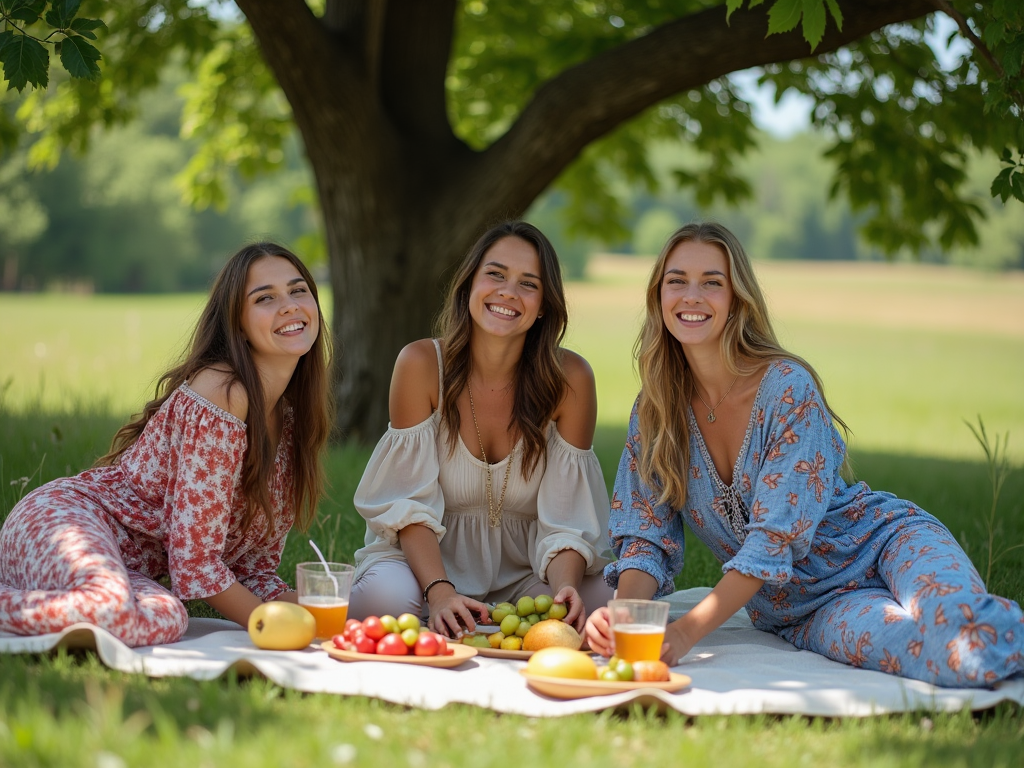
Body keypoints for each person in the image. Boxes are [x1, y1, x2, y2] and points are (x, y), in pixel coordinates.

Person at [585, 221, 1024, 688]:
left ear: (737, 298)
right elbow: (644, 535)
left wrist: (685, 631)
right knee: (940, 656)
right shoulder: (655, 411)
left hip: (884, 544)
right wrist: (626, 622)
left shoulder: (787, 388)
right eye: (677, 281)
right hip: (804, 610)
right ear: (658, 297)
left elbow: (773, 539)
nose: (692, 296)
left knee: (961, 628)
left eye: (712, 282)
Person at [0, 243, 333, 647]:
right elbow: (195, 565)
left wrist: (336, 618)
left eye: (299, 291)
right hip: (65, 522)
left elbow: (252, 570)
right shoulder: (221, 392)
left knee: (168, 617)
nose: (289, 305)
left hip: (124, 571)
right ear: (238, 323)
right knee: (112, 608)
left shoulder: (291, 424)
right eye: (265, 298)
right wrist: (271, 626)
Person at [350, 221, 612, 638]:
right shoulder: (420, 365)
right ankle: (444, 607)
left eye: (529, 283)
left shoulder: (571, 378)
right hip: (425, 569)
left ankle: (505, 613)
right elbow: (408, 505)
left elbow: (568, 520)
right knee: (384, 602)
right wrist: (439, 592)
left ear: (544, 304)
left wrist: (563, 589)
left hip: (529, 573)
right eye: (495, 274)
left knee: (607, 604)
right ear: (469, 283)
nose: (508, 292)